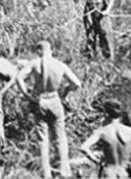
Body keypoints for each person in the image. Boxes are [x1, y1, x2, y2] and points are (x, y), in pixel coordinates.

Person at [17, 41, 82, 179]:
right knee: (60, 137)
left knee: (42, 138)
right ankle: (64, 171)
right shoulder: (60, 65)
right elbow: (77, 83)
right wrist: (66, 90)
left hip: (40, 100)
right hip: (55, 99)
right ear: (50, 50)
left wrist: (27, 95)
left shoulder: (34, 63)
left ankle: (46, 173)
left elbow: (19, 78)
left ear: (39, 51)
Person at [80, 100, 131, 178]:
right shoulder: (130, 131)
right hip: (125, 171)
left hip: (109, 172)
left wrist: (97, 161)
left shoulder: (102, 131)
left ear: (106, 114)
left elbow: (84, 148)